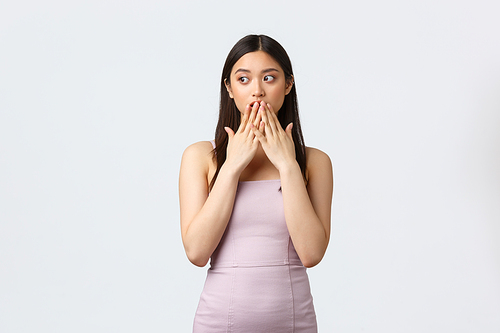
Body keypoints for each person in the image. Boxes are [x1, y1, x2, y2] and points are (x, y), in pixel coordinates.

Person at [179, 34, 333, 332]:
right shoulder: (200, 157)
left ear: (288, 85)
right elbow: (196, 252)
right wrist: (232, 166)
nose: (257, 91)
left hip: (294, 322)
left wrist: (287, 165)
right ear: (229, 88)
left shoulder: (315, 162)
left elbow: (312, 254)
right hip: (219, 322)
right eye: (244, 79)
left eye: (270, 78)